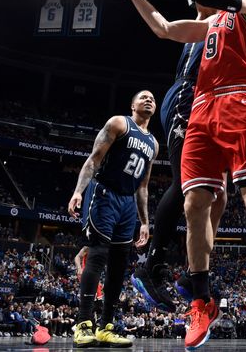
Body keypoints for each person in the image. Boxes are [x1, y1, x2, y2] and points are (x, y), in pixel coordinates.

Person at [113, 0, 246, 351]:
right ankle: (201, 300)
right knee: (195, 204)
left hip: (241, 103)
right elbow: (162, 28)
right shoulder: (214, 23)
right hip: (200, 112)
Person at [67, 90, 158, 347]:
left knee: (119, 265)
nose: (149, 100)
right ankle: (83, 323)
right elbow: (94, 159)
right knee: (97, 254)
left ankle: (106, 326)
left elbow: (143, 186)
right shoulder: (119, 123)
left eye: (153, 98)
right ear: (132, 104)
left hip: (128, 202)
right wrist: (78, 192)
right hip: (104, 192)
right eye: (143, 97)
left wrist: (144, 221)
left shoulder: (153, 142)